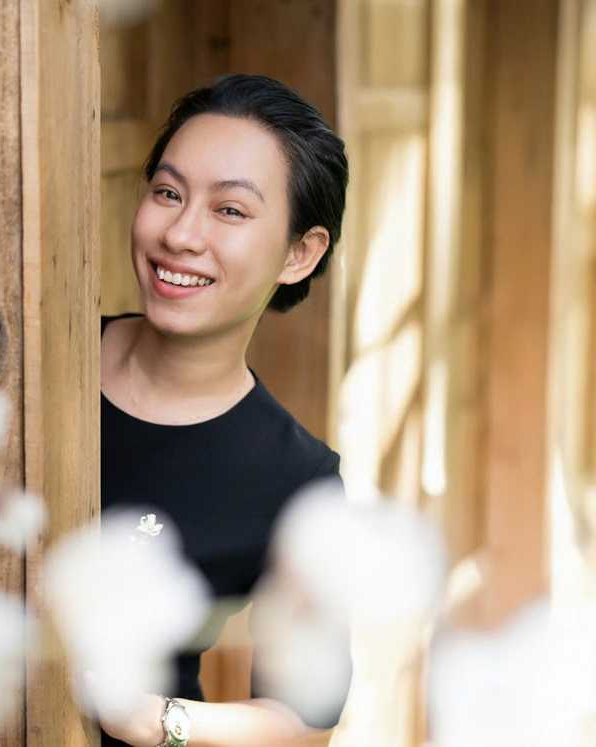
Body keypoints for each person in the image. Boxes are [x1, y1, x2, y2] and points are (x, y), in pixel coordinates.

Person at [97, 73, 350, 746]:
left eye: (229, 210)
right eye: (168, 193)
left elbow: (306, 720)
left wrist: (157, 719)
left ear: (300, 253)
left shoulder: (296, 479)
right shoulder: (40, 359)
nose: (180, 233)